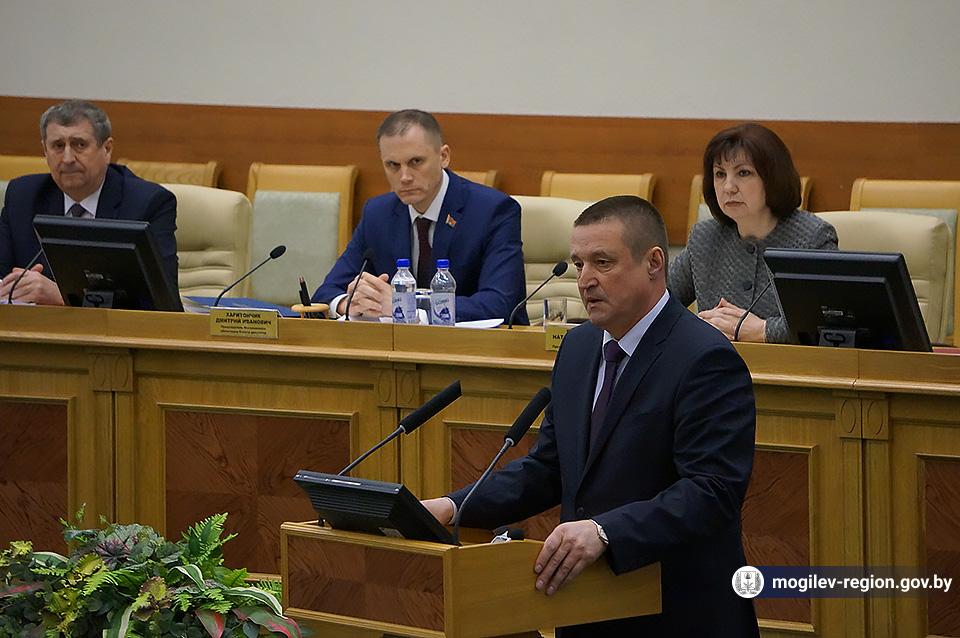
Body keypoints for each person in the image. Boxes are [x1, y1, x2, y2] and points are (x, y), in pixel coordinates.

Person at [423, 196, 759, 636]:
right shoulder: (579, 347)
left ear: (654, 263)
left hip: (677, 611)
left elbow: (711, 492)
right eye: (579, 264)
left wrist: (605, 532)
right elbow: (549, 468)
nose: (585, 280)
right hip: (586, 608)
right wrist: (453, 506)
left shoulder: (704, 358)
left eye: (603, 262)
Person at [312, 109, 527, 323]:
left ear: (443, 157)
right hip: (396, 344)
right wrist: (349, 303)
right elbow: (326, 293)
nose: (404, 177)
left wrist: (408, 305)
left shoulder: (493, 211)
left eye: (415, 162)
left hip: (476, 343)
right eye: (393, 165)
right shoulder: (377, 213)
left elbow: (500, 303)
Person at [669, 123, 837, 343]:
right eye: (720, 174)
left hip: (786, 365)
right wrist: (698, 327)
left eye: (743, 173)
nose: (728, 187)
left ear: (773, 177)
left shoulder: (812, 238)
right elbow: (654, 307)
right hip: (715, 363)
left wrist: (765, 330)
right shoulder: (704, 237)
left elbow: (833, 322)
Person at [0, 100, 178, 305]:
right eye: (58, 146)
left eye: (80, 145)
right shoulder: (22, 197)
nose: (67, 158)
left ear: (107, 149)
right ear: (45, 151)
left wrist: (64, 297)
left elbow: (161, 303)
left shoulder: (147, 203)